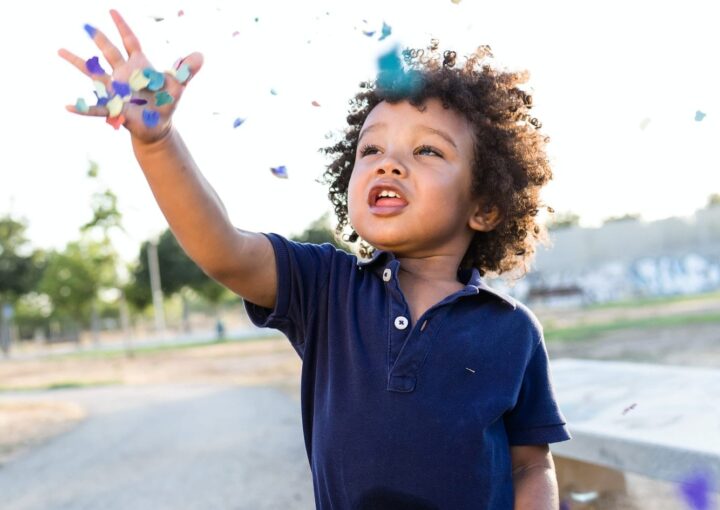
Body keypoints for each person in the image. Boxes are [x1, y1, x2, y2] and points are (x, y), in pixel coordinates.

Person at [60, 10, 571, 509]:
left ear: (484, 205)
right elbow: (225, 251)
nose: (388, 162)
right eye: (370, 150)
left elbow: (529, 463)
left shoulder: (513, 331)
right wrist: (157, 142)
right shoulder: (325, 288)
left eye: (428, 152)